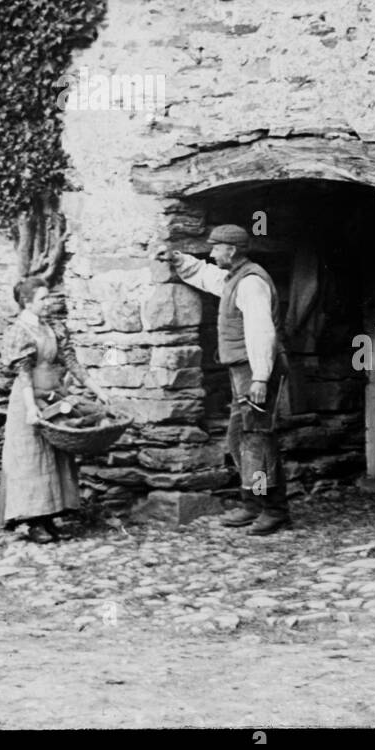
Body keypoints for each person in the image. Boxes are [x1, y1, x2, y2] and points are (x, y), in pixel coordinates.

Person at [156, 224, 292, 535]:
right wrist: (176, 259)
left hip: (255, 369)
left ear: (231, 250)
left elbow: (261, 332)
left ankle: (274, 509)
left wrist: (260, 378)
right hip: (241, 370)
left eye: (216, 248)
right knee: (238, 436)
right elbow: (206, 276)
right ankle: (252, 503)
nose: (212, 252)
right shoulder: (234, 277)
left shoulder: (252, 282)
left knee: (257, 438)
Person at [0, 276, 103, 541]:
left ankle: (51, 517)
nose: (48, 303)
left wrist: (99, 390)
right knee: (31, 459)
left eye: (48, 297)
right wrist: (32, 408)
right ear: (26, 302)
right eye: (43, 299)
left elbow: (70, 361)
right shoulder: (19, 330)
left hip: (54, 397)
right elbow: (23, 373)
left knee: (54, 457)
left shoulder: (51, 327)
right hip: (28, 399)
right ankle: (34, 523)